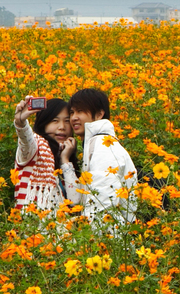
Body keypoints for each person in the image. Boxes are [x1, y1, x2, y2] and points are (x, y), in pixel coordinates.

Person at [62, 87, 138, 227]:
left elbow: (103, 197)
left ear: (99, 114)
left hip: (107, 235)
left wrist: (96, 240)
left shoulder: (103, 145)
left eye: (80, 111)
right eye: (72, 112)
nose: (74, 118)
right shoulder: (96, 142)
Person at [12, 96, 74, 212]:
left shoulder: (65, 155)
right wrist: (20, 122)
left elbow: (74, 201)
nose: (62, 127)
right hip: (32, 225)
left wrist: (65, 159)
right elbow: (25, 139)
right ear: (43, 123)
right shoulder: (34, 147)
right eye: (55, 121)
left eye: (67, 121)